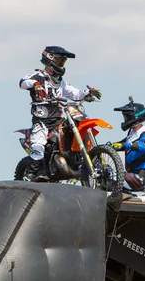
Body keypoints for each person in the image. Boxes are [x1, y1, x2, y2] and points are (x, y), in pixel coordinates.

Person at [19, 46, 102, 181]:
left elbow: (74, 93)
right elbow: (22, 82)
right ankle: (31, 173)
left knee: (72, 130)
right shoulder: (38, 76)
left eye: (63, 62)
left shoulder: (61, 82)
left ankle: (76, 160)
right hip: (42, 120)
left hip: (58, 119)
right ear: (49, 60)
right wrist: (35, 84)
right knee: (38, 144)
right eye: (59, 61)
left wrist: (88, 93)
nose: (61, 65)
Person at [111, 96, 145, 192]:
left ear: (135, 117)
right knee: (103, 172)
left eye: (127, 117)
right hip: (129, 174)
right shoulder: (132, 133)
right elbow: (122, 143)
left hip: (139, 178)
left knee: (109, 175)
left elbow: (142, 146)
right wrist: (109, 147)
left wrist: (126, 145)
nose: (125, 119)